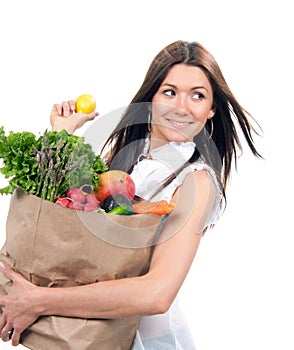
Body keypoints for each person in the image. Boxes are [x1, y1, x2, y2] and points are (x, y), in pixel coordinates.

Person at [0, 40, 262, 349]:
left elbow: (156, 293)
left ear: (211, 109)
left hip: (141, 342)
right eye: (169, 91)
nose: (181, 106)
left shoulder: (195, 181)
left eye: (198, 95)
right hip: (86, 333)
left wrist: (40, 300)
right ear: (150, 97)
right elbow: (68, 222)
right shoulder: (126, 160)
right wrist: (63, 133)